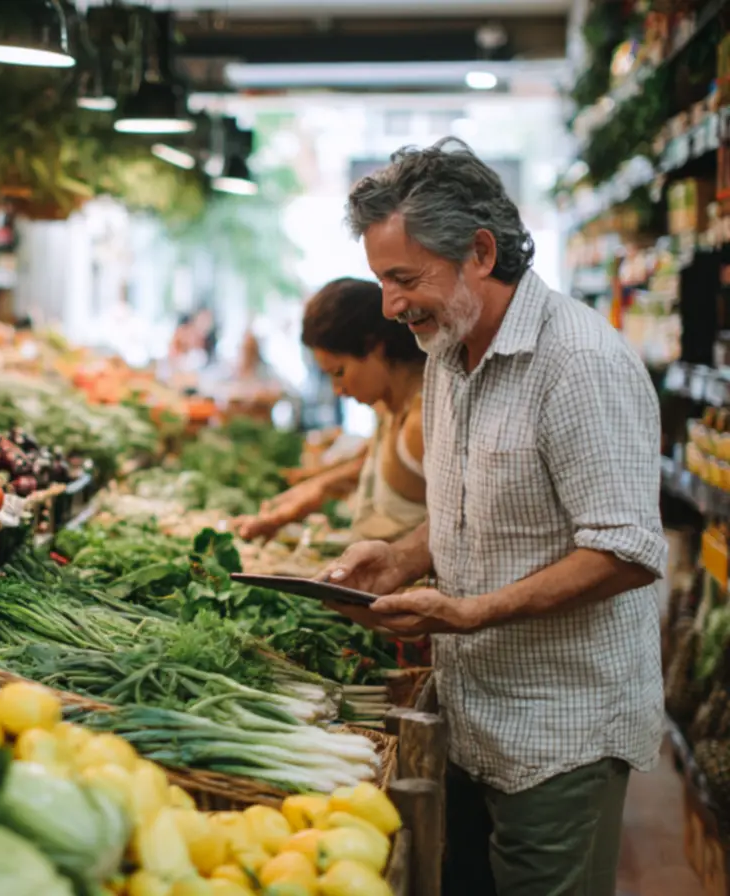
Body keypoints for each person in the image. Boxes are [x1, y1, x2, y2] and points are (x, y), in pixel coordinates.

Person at [320, 138, 663, 896]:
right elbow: (467, 515)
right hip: (471, 720)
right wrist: (402, 556)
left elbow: (627, 549)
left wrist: (472, 613)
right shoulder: (448, 357)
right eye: (382, 281)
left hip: (560, 733)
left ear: (480, 251)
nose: (390, 306)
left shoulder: (580, 365)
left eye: (404, 278)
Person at [236, 278, 426, 542]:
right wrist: (316, 487)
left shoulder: (420, 426)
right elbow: (377, 465)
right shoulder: (391, 409)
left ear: (374, 347)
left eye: (339, 372)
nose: (338, 390)